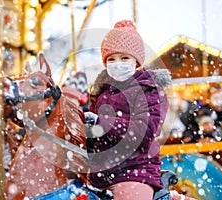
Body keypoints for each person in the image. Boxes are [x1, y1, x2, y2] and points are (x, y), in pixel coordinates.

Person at [84, 20, 171, 200]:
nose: (118, 64)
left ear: (136, 61)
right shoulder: (101, 92)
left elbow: (144, 132)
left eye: (124, 58)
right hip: (99, 175)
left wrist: (100, 122)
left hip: (135, 171)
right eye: (111, 59)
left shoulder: (148, 90)